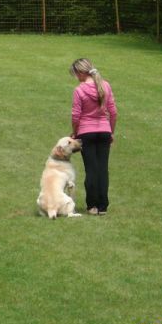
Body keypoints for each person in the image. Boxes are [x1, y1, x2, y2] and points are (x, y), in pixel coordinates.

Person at [69, 58, 118, 215]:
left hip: (86, 132)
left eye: (75, 74)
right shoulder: (106, 86)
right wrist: (111, 132)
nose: (76, 77)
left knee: (91, 170)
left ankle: (92, 206)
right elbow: (113, 112)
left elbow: (76, 116)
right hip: (104, 130)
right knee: (102, 169)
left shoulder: (79, 90)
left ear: (81, 73)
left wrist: (75, 133)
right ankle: (103, 206)